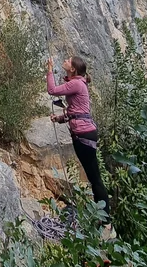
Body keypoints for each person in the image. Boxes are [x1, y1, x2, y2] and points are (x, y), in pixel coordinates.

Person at [45, 55, 110, 217]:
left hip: (84, 134)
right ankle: (102, 217)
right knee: (93, 176)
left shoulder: (76, 83)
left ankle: (106, 221)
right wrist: (60, 119)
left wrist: (49, 69)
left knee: (95, 178)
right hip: (83, 133)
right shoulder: (77, 83)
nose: (65, 59)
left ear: (73, 69)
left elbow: (52, 90)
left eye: (68, 60)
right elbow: (76, 110)